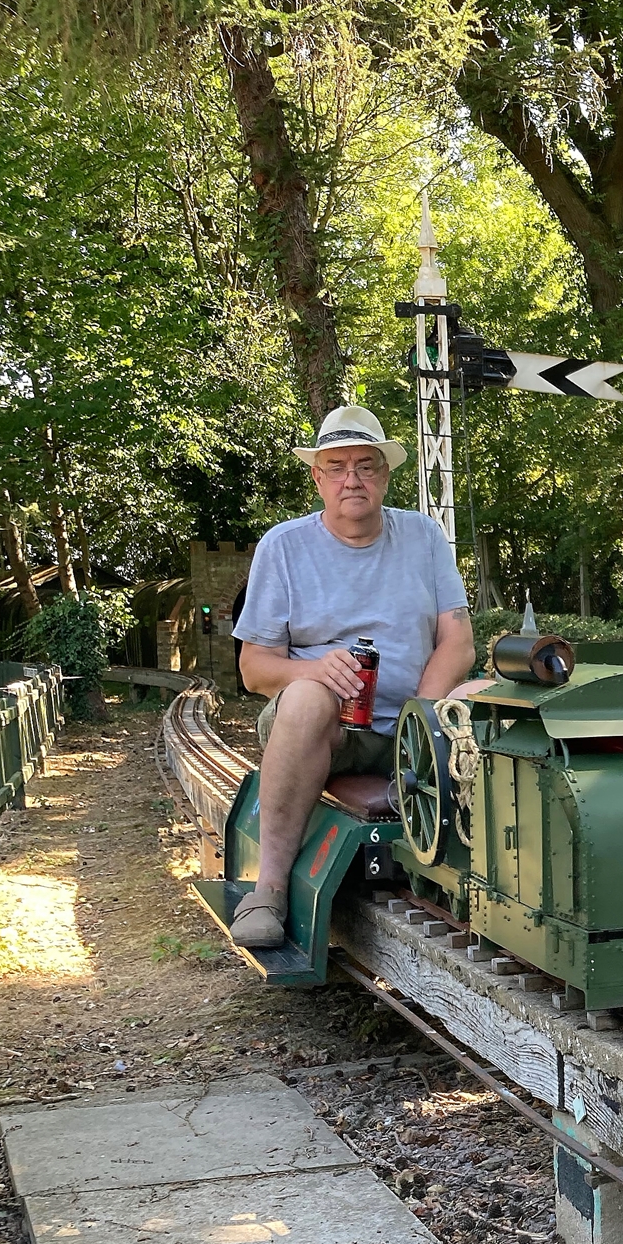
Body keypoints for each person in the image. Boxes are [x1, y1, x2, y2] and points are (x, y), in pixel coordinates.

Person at [227, 405, 476, 948]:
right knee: (307, 699)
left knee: (486, 697)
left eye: (365, 466)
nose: (352, 480)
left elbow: (457, 641)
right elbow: (253, 668)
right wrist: (313, 670)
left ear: (385, 475)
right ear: (318, 479)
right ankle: (268, 889)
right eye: (337, 468)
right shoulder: (283, 546)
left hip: (411, 727)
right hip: (324, 732)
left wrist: (421, 722)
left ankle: (487, 880)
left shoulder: (423, 536)